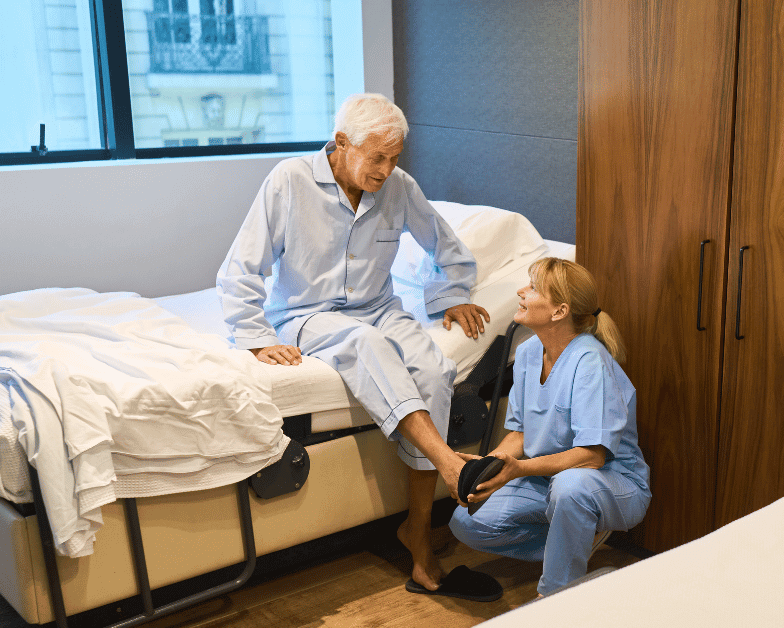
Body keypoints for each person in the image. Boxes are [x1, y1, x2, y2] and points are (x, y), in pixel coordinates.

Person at [216, 93, 499, 600]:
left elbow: (446, 247)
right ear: (342, 143)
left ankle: (416, 528)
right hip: (306, 315)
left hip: (380, 306)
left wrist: (451, 294)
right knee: (364, 343)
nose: (387, 170)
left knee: (435, 369)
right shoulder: (289, 181)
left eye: (395, 158)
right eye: (377, 157)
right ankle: (448, 462)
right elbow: (241, 267)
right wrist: (256, 337)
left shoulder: (399, 186)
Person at [449, 257, 652, 597]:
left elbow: (592, 456)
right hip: (547, 480)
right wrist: (490, 467)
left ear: (559, 311)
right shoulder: (528, 353)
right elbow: (520, 433)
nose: (521, 292)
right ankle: (574, 541)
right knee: (467, 522)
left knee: (571, 487)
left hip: (609, 482)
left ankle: (556, 595)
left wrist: (518, 470)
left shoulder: (589, 362)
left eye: (532, 288)